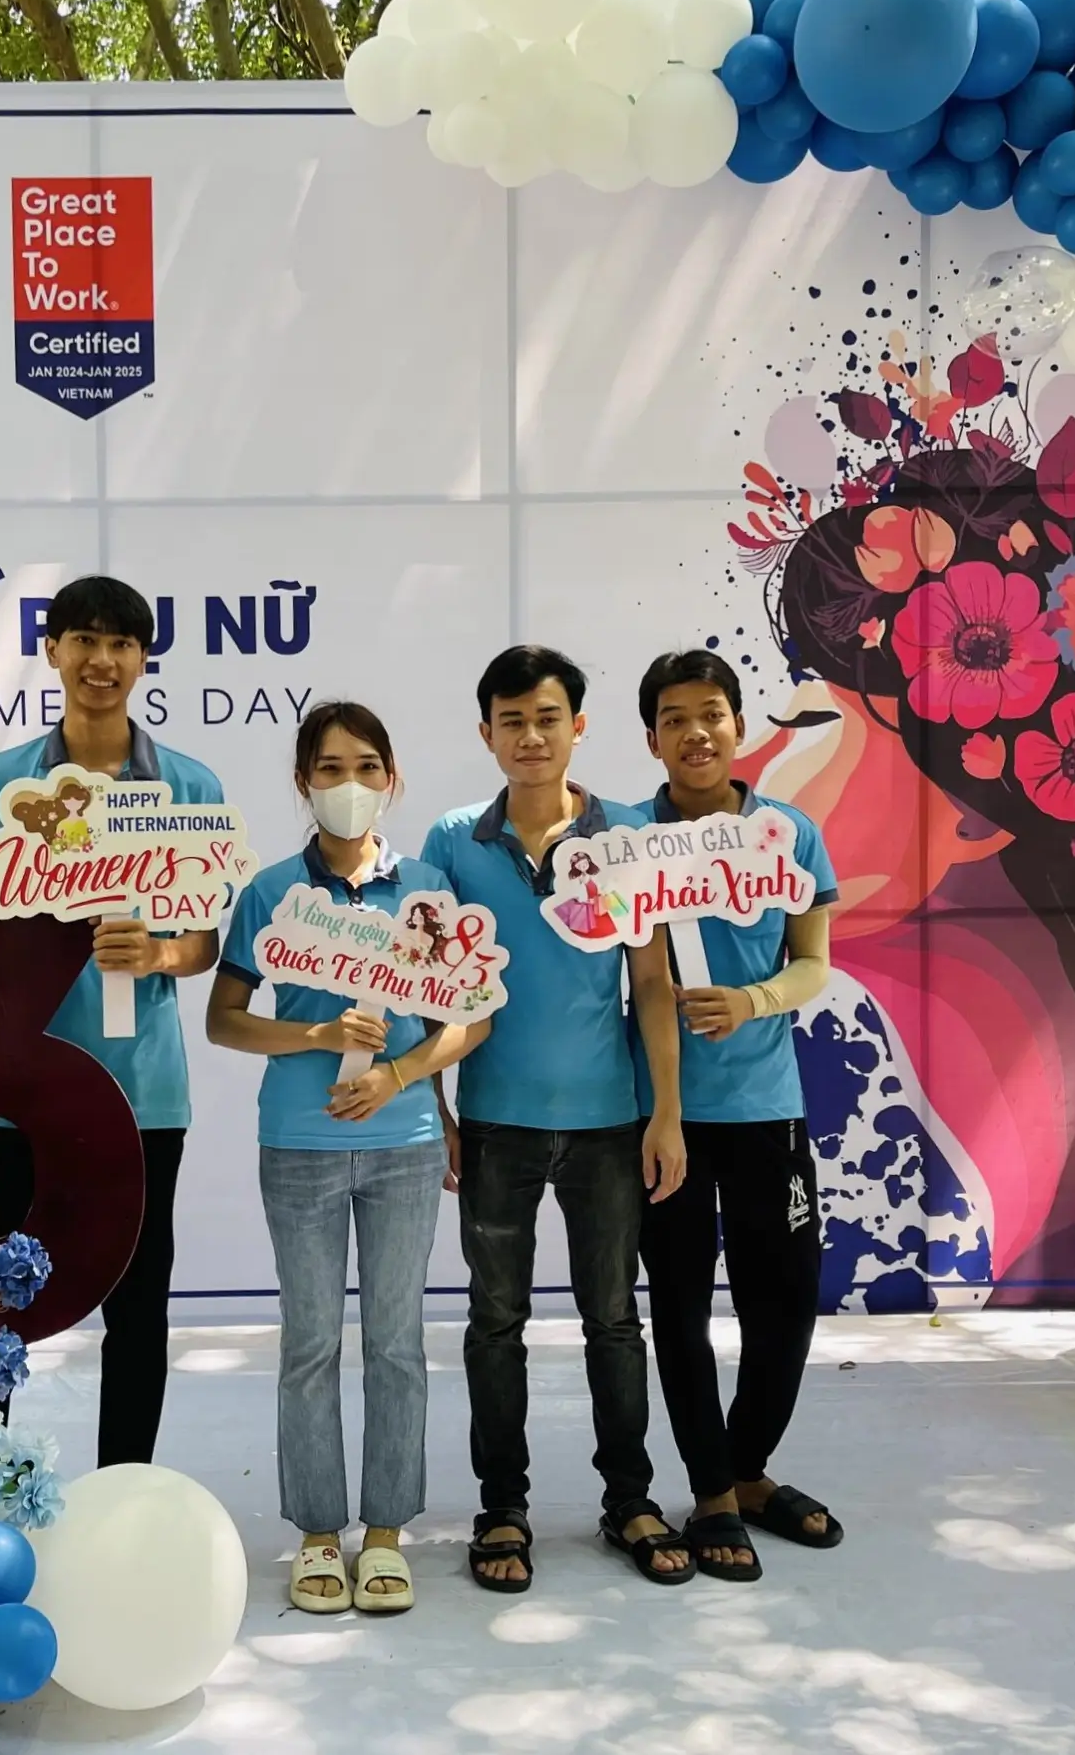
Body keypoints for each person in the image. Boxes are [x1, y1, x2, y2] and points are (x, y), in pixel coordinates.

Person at [419, 645, 692, 1591]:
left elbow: (653, 987)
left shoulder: (624, 841)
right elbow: (428, 988)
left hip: (609, 1125)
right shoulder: (453, 842)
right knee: (494, 1322)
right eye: (511, 721)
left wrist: (667, 1115)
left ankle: (629, 1500)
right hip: (494, 1123)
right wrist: (438, 1107)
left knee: (614, 1321)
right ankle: (503, 1508)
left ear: (579, 727)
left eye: (547, 718)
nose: (530, 737)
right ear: (486, 733)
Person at [208, 703, 485, 1616]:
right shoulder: (270, 894)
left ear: (393, 778)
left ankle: (387, 1534)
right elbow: (224, 1018)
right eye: (330, 769)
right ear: (303, 782)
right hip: (298, 1144)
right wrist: (315, 1032)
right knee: (310, 1343)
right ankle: (320, 1535)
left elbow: (469, 1018)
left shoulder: (429, 890)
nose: (350, 786)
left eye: (367, 766)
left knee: (399, 1345)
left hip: (403, 1145)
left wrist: (407, 1079)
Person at [0, 575, 224, 1468]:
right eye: (83, 641)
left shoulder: (187, 783)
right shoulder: (2, 783)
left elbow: (207, 942)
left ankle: (125, 1488)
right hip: (23, 1093)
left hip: (143, 1094)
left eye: (121, 645)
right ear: (53, 652)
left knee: (138, 1304)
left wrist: (157, 953)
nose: (102, 662)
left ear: (144, 659)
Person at [631, 649, 840, 1580]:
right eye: (675, 718)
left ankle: (750, 1469)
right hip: (663, 1121)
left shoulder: (788, 833)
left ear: (738, 724)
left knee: (785, 1301)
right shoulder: (623, 840)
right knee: (678, 1307)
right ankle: (710, 1489)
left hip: (768, 1111)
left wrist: (752, 1002)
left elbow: (813, 964)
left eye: (711, 713)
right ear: (653, 739)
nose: (696, 733)